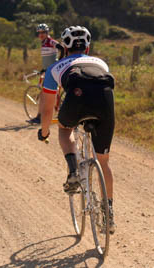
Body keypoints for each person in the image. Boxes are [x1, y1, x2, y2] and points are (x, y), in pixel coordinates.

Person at [37, 26, 115, 233]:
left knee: (64, 129)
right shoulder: (101, 63)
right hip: (105, 105)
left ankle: (73, 170)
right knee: (104, 162)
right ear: (88, 47)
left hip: (76, 101)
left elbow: (46, 109)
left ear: (64, 46)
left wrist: (44, 131)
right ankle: (109, 214)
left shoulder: (55, 68)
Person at [27, 23, 65, 124]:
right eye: (39, 33)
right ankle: (44, 115)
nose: (41, 34)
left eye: (43, 32)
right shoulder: (43, 43)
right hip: (48, 71)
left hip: (51, 72)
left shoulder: (50, 41)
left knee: (44, 95)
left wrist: (58, 63)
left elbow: (61, 48)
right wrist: (44, 69)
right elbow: (49, 59)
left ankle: (40, 117)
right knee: (46, 94)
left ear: (47, 32)